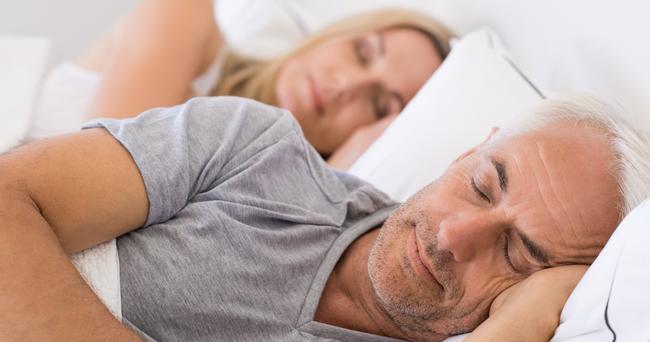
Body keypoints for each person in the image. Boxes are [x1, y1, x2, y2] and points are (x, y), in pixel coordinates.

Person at [2, 93, 650, 342]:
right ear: (467, 152)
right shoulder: (255, 150)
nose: (456, 238)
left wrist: (518, 330)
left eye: (518, 252)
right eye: (483, 185)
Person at [31, 0, 453, 168]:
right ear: (339, 34)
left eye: (380, 104)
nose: (348, 84)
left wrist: (339, 176)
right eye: (362, 52)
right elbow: (96, 194)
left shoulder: (277, 192)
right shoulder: (186, 17)